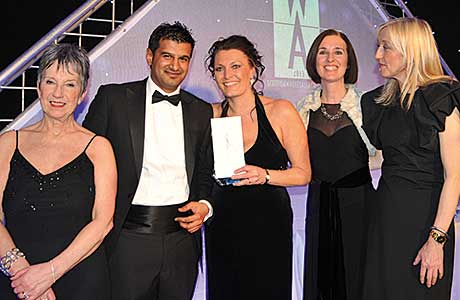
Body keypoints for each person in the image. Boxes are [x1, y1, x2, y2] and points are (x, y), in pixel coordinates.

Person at [83, 21, 213, 300]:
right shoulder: (113, 98)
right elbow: (86, 164)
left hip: (182, 240)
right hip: (127, 238)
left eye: (183, 59)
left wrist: (204, 206)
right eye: (167, 56)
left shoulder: (201, 111)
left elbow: (204, 170)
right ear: (149, 56)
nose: (175, 66)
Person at [0, 43, 116, 300]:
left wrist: (49, 274)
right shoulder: (8, 143)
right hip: (17, 280)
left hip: (81, 281)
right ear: (39, 86)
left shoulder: (98, 148)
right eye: (51, 82)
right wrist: (22, 271)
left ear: (83, 92)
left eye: (70, 84)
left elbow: (103, 222)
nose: (58, 93)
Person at [204, 35, 311, 300]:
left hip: (268, 225)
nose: (227, 75)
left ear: (252, 70)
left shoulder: (281, 111)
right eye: (220, 68)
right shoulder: (210, 115)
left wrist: (264, 175)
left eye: (236, 66)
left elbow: (303, 173)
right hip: (223, 224)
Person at [361, 17, 460, 299]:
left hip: (426, 222)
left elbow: (454, 175)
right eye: (378, 47)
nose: (378, 55)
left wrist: (436, 239)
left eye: (386, 47)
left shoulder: (441, 98)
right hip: (386, 218)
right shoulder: (378, 103)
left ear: (410, 50)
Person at [296, 29, 376, 300]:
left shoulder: (369, 105)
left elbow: (387, 153)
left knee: (359, 280)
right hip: (318, 206)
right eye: (323, 51)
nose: (330, 58)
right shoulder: (302, 110)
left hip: (360, 207)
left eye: (338, 51)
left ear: (349, 61)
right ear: (313, 60)